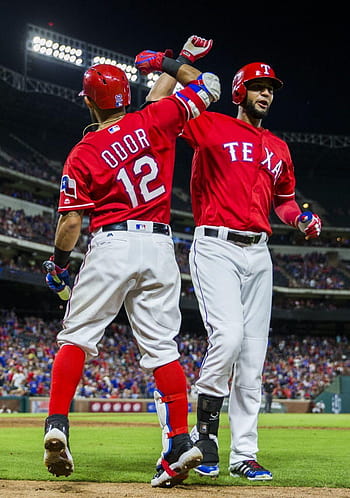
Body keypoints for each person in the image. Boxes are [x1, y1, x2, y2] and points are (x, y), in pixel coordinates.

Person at [42, 39, 220, 489]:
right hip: (160, 247)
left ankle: (57, 424)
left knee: (77, 336)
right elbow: (208, 87)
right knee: (163, 349)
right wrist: (173, 61)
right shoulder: (156, 118)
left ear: (88, 101)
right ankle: (180, 441)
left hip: (112, 242)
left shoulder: (84, 151)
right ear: (127, 96)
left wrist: (59, 263)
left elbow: (69, 224)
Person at [144, 41, 322, 481]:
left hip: (259, 253)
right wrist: (173, 63)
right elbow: (155, 109)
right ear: (239, 91)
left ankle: (245, 453)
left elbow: (283, 202)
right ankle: (205, 440)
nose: (267, 94)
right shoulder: (211, 125)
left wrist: (299, 218)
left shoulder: (279, 147)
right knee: (228, 336)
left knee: (253, 358)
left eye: (271, 89)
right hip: (216, 245)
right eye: (258, 87)